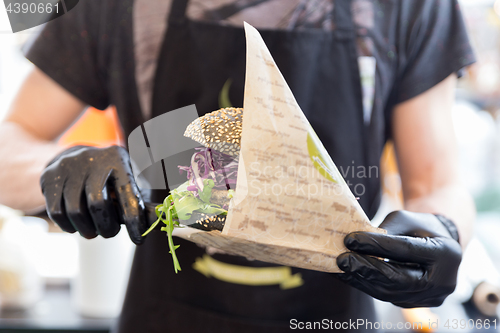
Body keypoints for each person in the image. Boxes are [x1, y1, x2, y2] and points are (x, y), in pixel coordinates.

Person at [0, 0, 476, 332]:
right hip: (166, 314)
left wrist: (443, 229)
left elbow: (435, 178)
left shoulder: (413, 5)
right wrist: (59, 168)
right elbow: (12, 142)